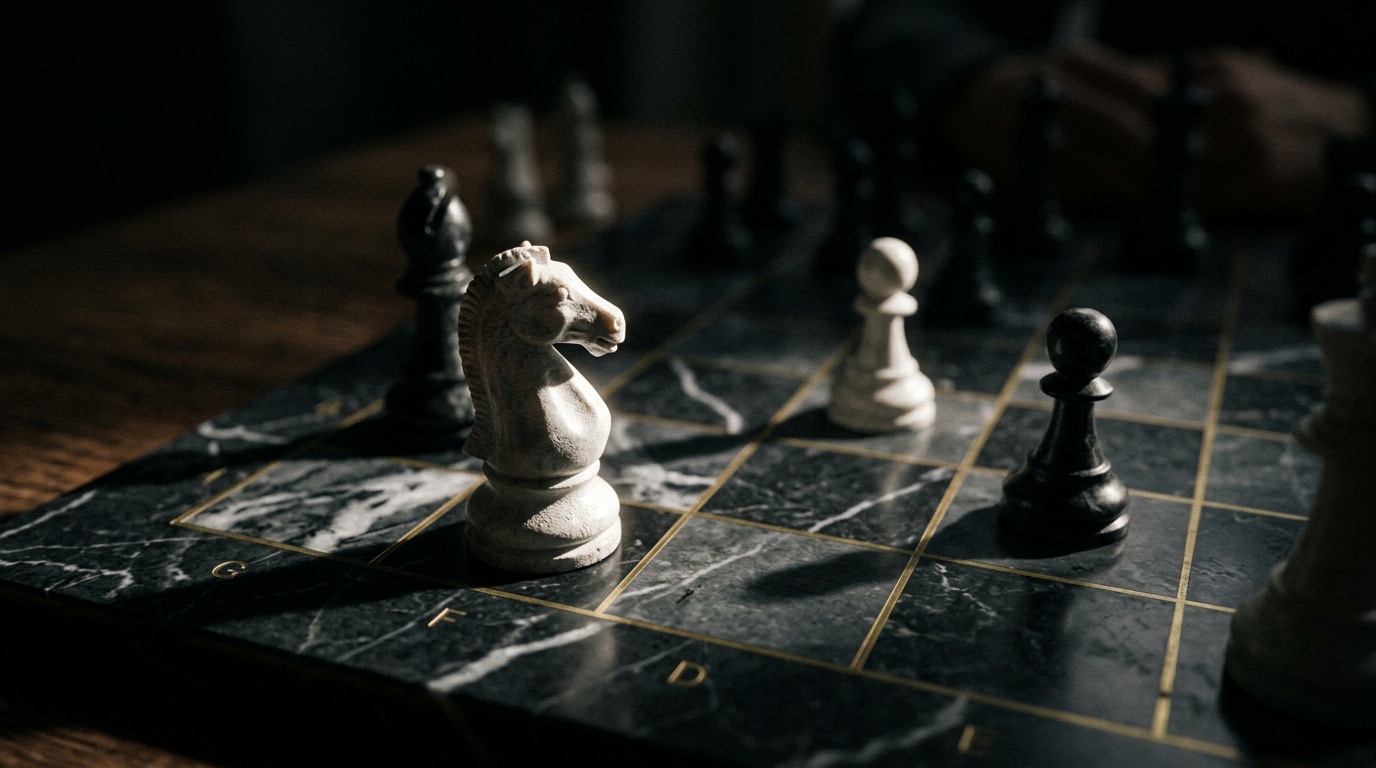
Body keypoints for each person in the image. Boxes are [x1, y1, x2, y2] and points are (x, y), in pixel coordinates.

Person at [827, 0, 1376, 219]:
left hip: (1301, 255)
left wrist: (1362, 118)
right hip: (1018, 215)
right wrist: (964, 81)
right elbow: (886, 19)